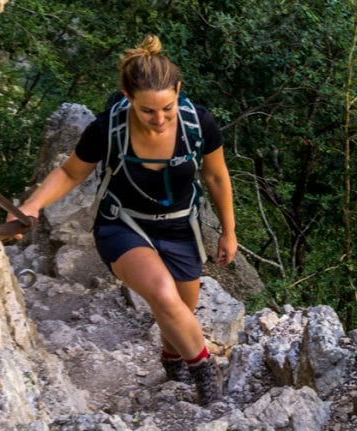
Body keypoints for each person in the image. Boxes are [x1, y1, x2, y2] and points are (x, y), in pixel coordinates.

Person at [16, 36, 238, 403]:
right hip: (123, 224)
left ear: (179, 91)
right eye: (147, 110)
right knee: (164, 296)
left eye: (167, 107)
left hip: (181, 226)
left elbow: (216, 176)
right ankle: (206, 376)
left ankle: (172, 359)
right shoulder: (108, 128)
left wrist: (229, 232)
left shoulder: (199, 124)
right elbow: (71, 173)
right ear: (127, 96)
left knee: (182, 311)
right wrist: (32, 204)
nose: (159, 119)